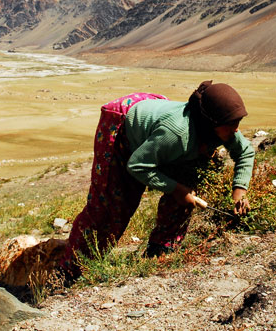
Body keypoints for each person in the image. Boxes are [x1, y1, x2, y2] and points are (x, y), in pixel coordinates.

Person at [60, 80, 255, 277]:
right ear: (211, 122)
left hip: (157, 124)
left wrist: (239, 192)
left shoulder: (222, 126)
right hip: (123, 125)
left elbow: (245, 152)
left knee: (188, 186)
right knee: (109, 208)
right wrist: (176, 189)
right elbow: (137, 165)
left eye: (237, 123)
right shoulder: (176, 134)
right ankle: (70, 270)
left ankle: (160, 251)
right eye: (231, 124)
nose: (236, 129)